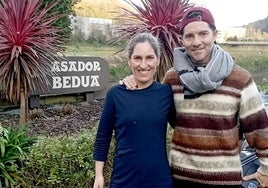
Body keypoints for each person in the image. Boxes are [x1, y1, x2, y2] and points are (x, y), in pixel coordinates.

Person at [121, 6, 268, 187]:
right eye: (189, 36)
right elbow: (156, 112)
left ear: (215, 35)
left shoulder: (240, 79)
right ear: (182, 40)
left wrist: (265, 169)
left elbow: (259, 128)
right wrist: (134, 82)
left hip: (224, 181)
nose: (196, 41)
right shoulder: (173, 78)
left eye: (203, 34)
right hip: (180, 179)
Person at [93, 32, 176, 188]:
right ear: (129, 61)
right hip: (124, 180)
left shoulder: (165, 93)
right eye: (137, 58)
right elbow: (103, 136)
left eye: (149, 58)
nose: (143, 65)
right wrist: (99, 175)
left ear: (157, 60)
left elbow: (183, 127)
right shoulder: (115, 95)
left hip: (160, 181)